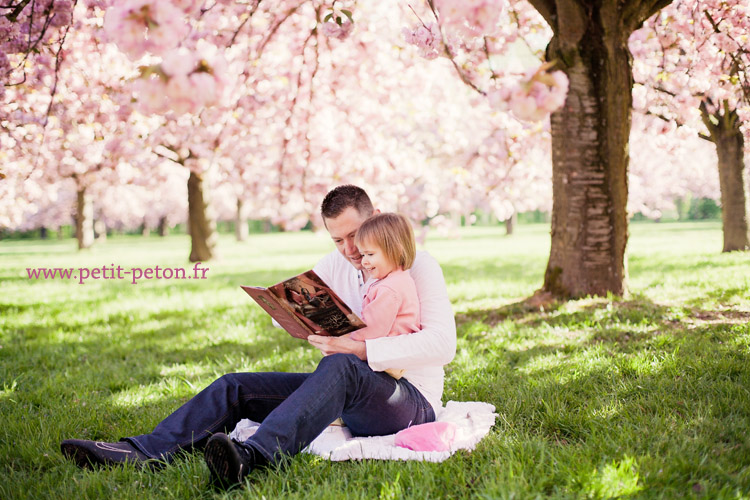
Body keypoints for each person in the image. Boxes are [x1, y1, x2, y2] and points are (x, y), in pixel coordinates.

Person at [60, 184, 456, 488]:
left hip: (408, 402)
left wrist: (357, 346)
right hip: (351, 388)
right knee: (237, 386)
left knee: (340, 365)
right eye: (338, 240)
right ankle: (141, 451)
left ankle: (252, 456)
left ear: (376, 219)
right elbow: (291, 313)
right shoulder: (337, 264)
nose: (350, 250)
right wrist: (294, 312)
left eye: (355, 236)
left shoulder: (417, 266)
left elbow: (443, 345)